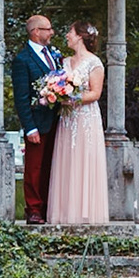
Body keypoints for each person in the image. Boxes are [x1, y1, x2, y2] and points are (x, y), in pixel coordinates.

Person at [46, 20, 108, 225]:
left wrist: (72, 98)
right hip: (67, 119)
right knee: (66, 159)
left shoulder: (94, 63)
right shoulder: (64, 63)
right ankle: (64, 213)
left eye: (70, 32)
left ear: (80, 36)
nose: (67, 36)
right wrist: (56, 94)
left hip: (86, 118)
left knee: (85, 159)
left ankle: (86, 213)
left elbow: (95, 93)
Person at [11, 14, 63, 224]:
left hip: (58, 120)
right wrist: (29, 127)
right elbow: (21, 98)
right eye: (48, 29)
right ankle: (33, 209)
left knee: (52, 165)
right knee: (34, 168)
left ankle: (49, 207)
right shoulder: (22, 60)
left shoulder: (54, 55)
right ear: (35, 32)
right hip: (37, 122)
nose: (51, 33)